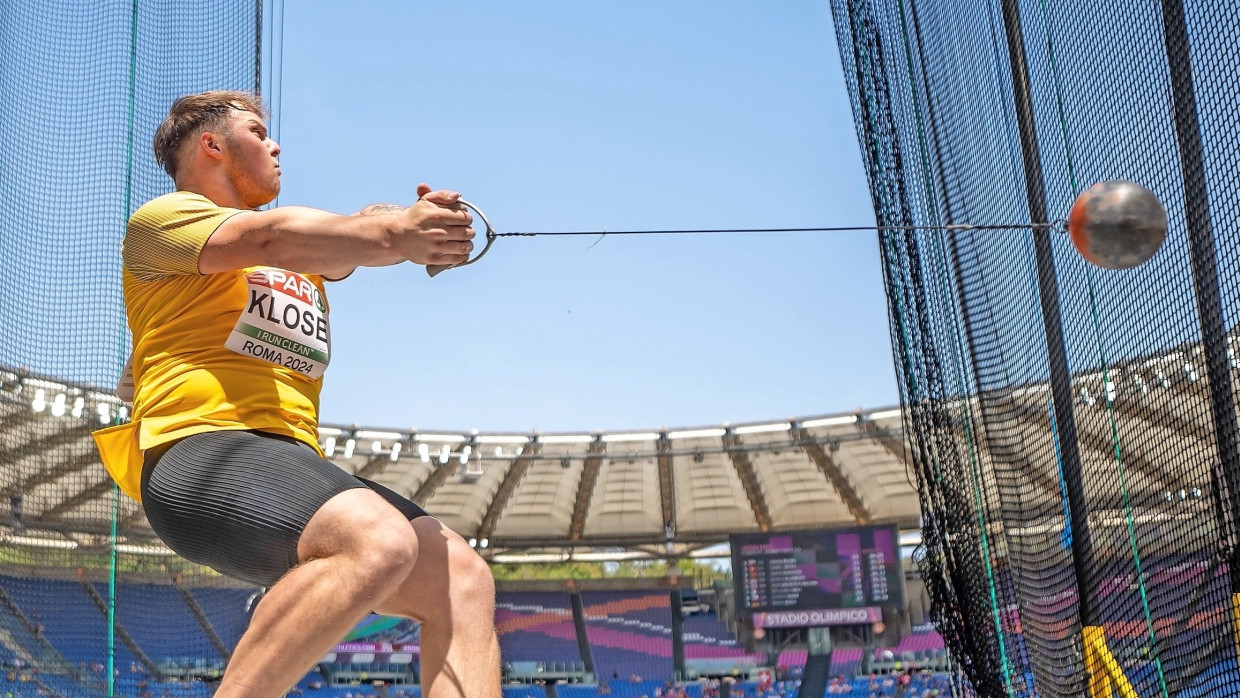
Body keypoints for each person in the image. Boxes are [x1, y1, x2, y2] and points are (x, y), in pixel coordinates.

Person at [92, 90, 499, 698]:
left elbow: (331, 250)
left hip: (285, 463)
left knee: (461, 580)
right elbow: (273, 237)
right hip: (197, 456)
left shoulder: (293, 259)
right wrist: (393, 233)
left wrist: (403, 227)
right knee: (377, 540)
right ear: (212, 146)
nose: (277, 145)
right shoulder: (163, 220)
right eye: (259, 132)